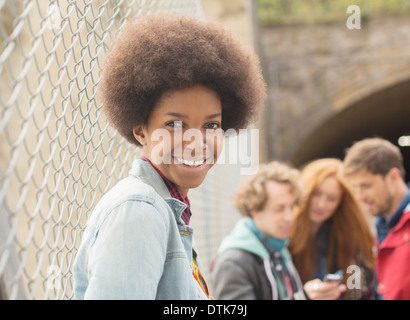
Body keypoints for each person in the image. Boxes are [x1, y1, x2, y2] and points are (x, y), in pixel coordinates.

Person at [73, 14, 266, 299]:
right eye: (175, 124)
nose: (196, 142)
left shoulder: (168, 208)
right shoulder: (140, 210)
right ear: (141, 131)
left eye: (211, 125)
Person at [209, 161, 346, 300]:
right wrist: (303, 297)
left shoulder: (278, 249)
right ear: (255, 209)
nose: (289, 217)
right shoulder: (233, 264)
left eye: (292, 207)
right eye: (279, 209)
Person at [288, 158, 375, 300]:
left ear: (340, 203)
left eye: (331, 199)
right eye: (316, 194)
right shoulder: (284, 234)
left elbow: (358, 289)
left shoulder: (347, 238)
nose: (321, 204)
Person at [343, 137, 410, 300]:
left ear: (393, 176)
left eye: (366, 186)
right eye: (355, 187)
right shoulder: (379, 228)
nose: (359, 197)